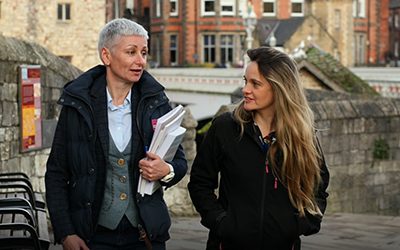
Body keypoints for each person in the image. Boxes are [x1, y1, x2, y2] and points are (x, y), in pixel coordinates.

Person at [45, 18, 187, 250]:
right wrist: (65, 232)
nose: (140, 61)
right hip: (92, 237)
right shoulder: (78, 106)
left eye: (143, 52)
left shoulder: (156, 102)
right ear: (106, 56)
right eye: (131, 52)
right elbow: (56, 173)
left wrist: (167, 171)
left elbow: (180, 163)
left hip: (145, 235)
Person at [188, 46, 330, 250]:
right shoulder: (225, 127)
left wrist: (301, 224)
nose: (245, 90)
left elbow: (318, 186)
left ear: (279, 88)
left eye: (256, 84)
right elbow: (200, 183)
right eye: (246, 81)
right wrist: (221, 222)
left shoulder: (302, 135)